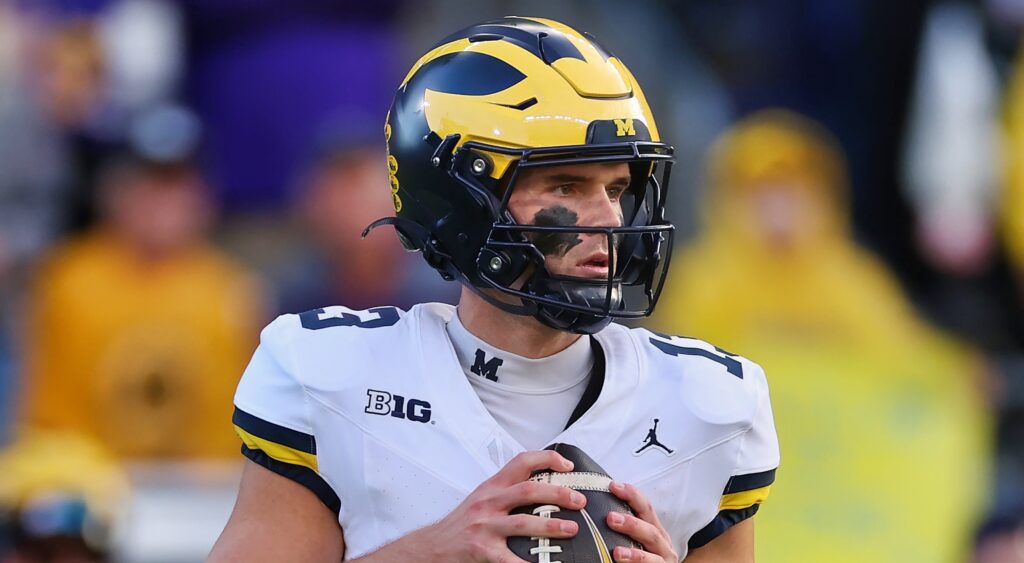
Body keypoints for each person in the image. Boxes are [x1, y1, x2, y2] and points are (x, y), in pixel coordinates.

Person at [211, 17, 778, 563]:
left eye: (617, 188)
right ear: (456, 203)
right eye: (566, 183)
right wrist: (429, 553)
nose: (608, 218)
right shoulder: (332, 374)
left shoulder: (704, 404)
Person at [654, 110, 991, 563]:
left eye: (792, 193)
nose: (779, 210)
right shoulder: (706, 279)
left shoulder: (850, 277)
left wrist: (953, 372)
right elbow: (682, 368)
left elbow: (898, 352)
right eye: (761, 194)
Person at [21, 106, 267, 459]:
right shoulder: (67, 282)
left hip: (203, 495)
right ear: (114, 189)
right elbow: (46, 422)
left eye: (176, 181)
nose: (162, 198)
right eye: (149, 180)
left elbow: (244, 433)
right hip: (95, 486)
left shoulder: (234, 291)